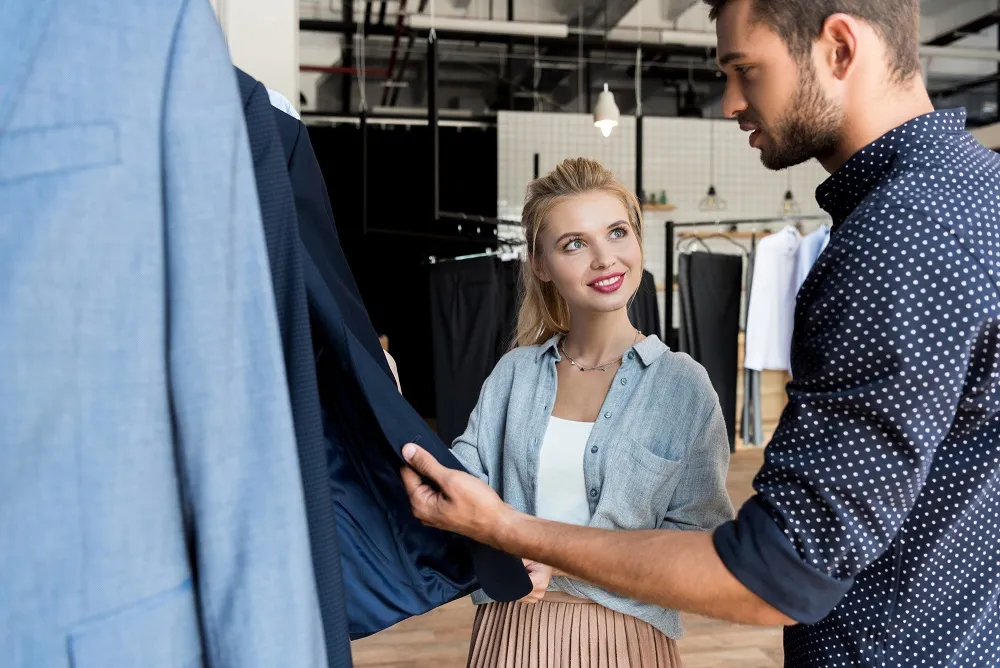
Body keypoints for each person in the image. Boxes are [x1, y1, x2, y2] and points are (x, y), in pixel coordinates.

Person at [401, 1, 1000, 666]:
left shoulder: (898, 239)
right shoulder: (975, 198)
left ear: (838, 48)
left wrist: (517, 532)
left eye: (745, 69)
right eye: (573, 243)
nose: (729, 102)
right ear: (540, 264)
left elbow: (783, 567)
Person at [450, 157, 733, 667]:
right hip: (510, 631)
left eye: (617, 232)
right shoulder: (515, 374)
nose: (605, 259)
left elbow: (701, 543)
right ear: (540, 265)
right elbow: (457, 490)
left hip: (626, 639)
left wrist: (559, 562)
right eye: (574, 243)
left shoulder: (681, 386)